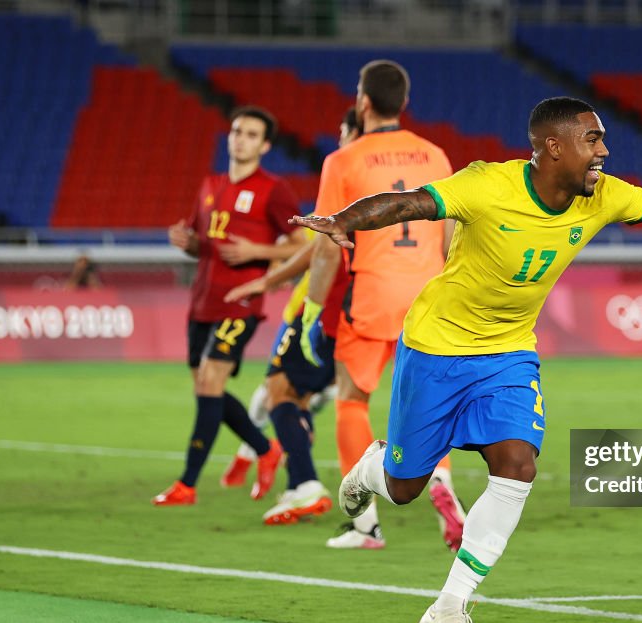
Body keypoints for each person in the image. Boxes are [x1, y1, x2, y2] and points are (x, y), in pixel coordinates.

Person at [291, 96, 642, 623]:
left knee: (518, 464)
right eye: (593, 140)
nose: (604, 151)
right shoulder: (486, 185)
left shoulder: (601, 195)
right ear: (554, 147)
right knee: (404, 488)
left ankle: (450, 607)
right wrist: (343, 222)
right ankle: (372, 468)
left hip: (508, 353)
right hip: (435, 349)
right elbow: (407, 204)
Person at [299, 60, 465, 551]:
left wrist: (310, 309)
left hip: (371, 295)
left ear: (363, 101)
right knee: (429, 407)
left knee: (352, 398)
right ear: (404, 103)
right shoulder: (434, 154)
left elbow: (329, 242)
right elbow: (454, 233)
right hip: (429, 297)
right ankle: (444, 487)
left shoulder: (343, 160)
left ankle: (365, 525)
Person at [152, 105, 306, 506]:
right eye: (237, 131)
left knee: (210, 382)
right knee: (207, 389)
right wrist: (189, 243)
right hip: (202, 299)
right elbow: (205, 244)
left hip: (242, 301)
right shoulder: (210, 184)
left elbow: (301, 243)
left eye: (252, 134)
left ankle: (187, 483)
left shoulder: (274, 189)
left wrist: (256, 250)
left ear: (265, 145)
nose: (241, 139)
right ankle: (265, 448)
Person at [220, 108, 362, 525]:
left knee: (279, 388)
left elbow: (320, 247)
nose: (337, 137)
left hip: (326, 309)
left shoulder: (345, 172)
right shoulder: (399, 177)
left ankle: (304, 485)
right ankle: (314, 488)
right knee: (302, 397)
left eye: (341, 129)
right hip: (369, 309)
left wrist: (269, 281)